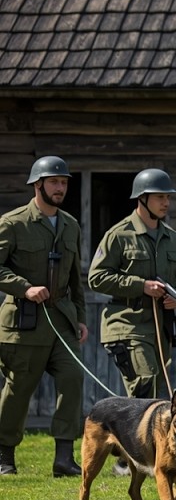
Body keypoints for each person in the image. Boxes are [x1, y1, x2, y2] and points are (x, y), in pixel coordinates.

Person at [88, 168, 176, 476]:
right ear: (143, 199)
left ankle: (135, 456)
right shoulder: (118, 235)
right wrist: (140, 285)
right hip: (126, 324)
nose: (166, 203)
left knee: (150, 392)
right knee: (144, 382)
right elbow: (97, 277)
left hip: (160, 328)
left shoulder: (173, 239)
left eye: (168, 197)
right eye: (160, 197)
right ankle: (131, 459)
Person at [0, 156, 89, 477]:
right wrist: (24, 287)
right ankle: (4, 456)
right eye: (53, 182)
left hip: (62, 321)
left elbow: (75, 276)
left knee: (72, 380)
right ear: (37, 185)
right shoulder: (13, 223)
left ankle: (63, 458)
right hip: (23, 323)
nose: (60, 187)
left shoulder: (70, 225)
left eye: (64, 182)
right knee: (19, 389)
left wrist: (80, 316)